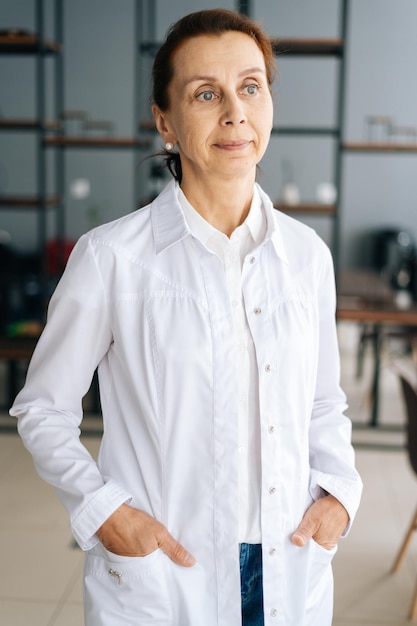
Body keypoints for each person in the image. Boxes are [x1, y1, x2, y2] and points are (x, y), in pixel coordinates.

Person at [10, 8, 362, 626]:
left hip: (292, 561)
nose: (235, 112)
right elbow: (42, 408)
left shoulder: (307, 256)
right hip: (169, 570)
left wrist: (338, 494)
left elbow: (322, 402)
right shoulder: (112, 257)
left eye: (250, 86)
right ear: (165, 121)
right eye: (206, 94)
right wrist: (104, 511)